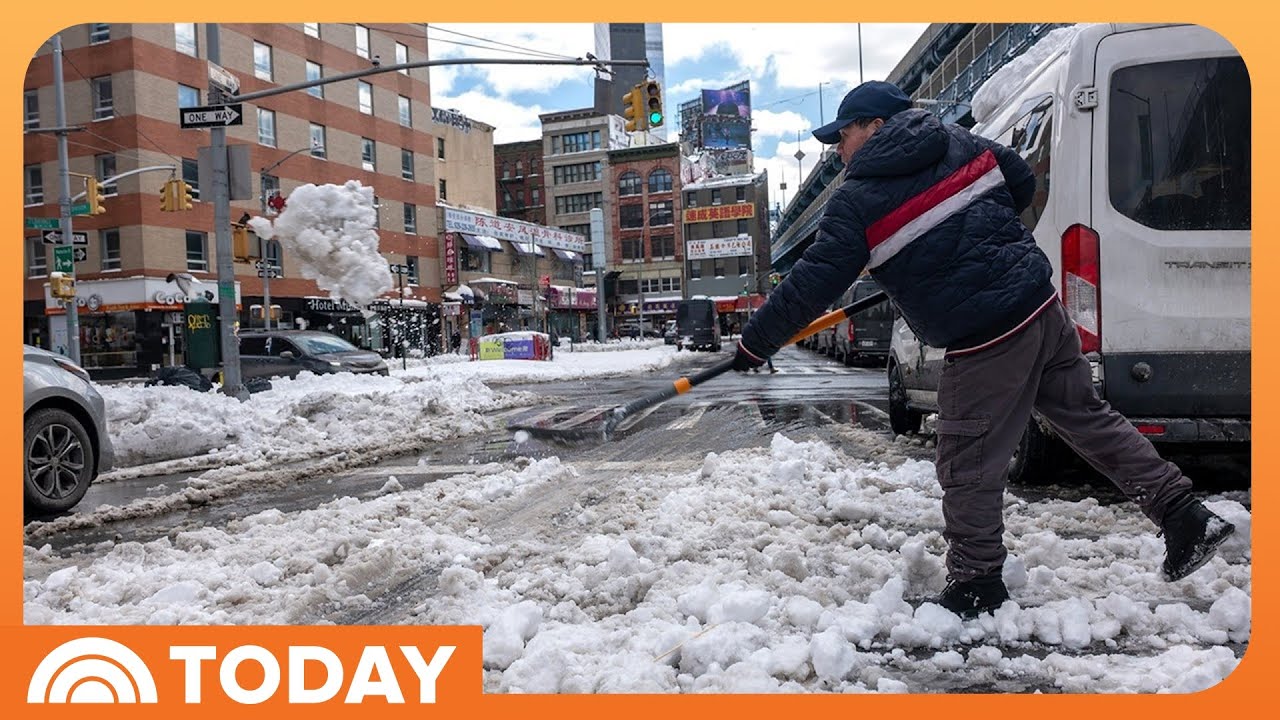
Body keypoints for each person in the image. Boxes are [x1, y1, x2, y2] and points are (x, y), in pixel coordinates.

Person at [731, 80, 1236, 618]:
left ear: (876, 127)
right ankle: (1184, 514)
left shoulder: (855, 202)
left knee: (967, 459)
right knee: (1088, 419)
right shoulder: (960, 142)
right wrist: (972, 238)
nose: (838, 149)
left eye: (844, 134)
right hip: (1041, 307)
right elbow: (1018, 180)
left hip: (986, 337)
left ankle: (977, 583)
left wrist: (756, 342)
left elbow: (810, 284)